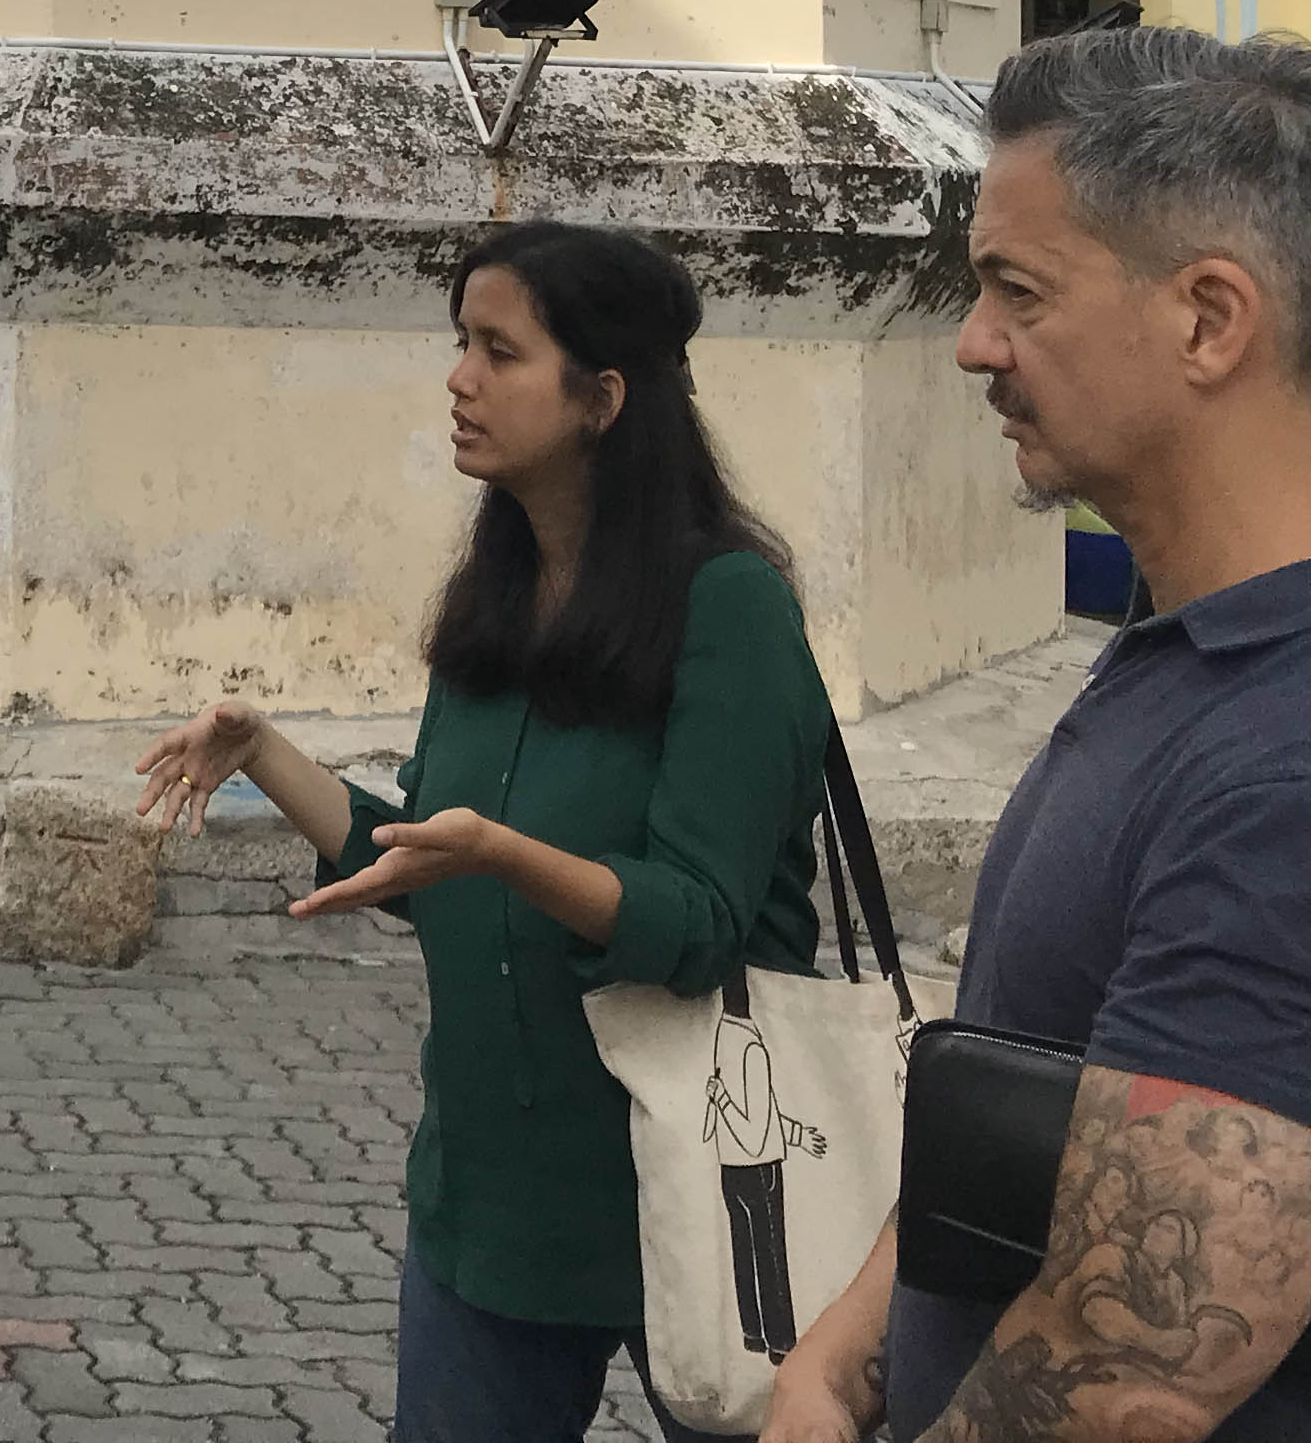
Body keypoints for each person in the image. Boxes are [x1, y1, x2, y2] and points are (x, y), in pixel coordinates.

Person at [769, 29, 1311, 1443]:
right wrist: (846, 1353)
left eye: (1015, 292)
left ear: (1209, 320)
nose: (974, 342)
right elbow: (1023, 1108)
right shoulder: (1196, 657)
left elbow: (1130, 1376)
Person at [137, 221, 840, 1443]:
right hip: (493, 1199)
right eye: (460, 344)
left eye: (498, 352)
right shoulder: (492, 603)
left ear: (602, 399)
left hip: (702, 1184)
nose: (458, 379)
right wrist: (263, 752)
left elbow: (699, 920)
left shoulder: (728, 607)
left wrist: (503, 855)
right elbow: (418, 856)